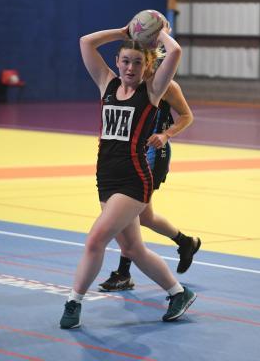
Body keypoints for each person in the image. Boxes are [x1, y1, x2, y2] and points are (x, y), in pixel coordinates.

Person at [60, 21, 197, 329]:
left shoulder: (152, 91)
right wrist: (124, 32)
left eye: (137, 62)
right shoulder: (106, 83)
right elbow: (85, 40)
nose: (130, 67)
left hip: (134, 179)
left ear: (147, 64)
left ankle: (73, 301)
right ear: (117, 62)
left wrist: (156, 29)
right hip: (105, 177)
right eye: (124, 60)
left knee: (96, 240)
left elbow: (174, 50)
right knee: (133, 249)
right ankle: (178, 292)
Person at [98, 74, 201, 292]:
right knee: (145, 216)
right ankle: (185, 242)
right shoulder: (123, 83)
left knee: (130, 214)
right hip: (128, 153)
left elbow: (186, 116)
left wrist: (166, 134)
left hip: (153, 154)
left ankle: (123, 273)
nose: (132, 66)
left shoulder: (165, 85)